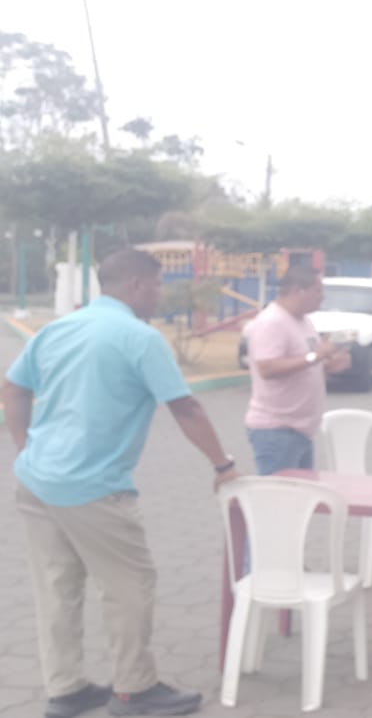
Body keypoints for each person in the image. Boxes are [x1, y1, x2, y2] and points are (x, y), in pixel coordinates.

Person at [2, 250, 241, 718]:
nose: (160, 294)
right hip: (92, 488)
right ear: (136, 286)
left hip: (36, 480)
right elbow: (185, 407)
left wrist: (25, 448)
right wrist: (222, 465)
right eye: (157, 285)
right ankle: (134, 690)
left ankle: (65, 690)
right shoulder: (140, 338)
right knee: (130, 584)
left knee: (56, 587)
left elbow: (13, 387)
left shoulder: (57, 328)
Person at [244, 265, 351, 475]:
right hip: (277, 430)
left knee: (301, 494)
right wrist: (317, 356)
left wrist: (329, 366)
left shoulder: (303, 321)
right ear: (297, 291)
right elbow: (267, 368)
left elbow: (306, 365)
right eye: (317, 290)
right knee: (281, 494)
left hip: (301, 430)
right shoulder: (272, 322)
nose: (322, 297)